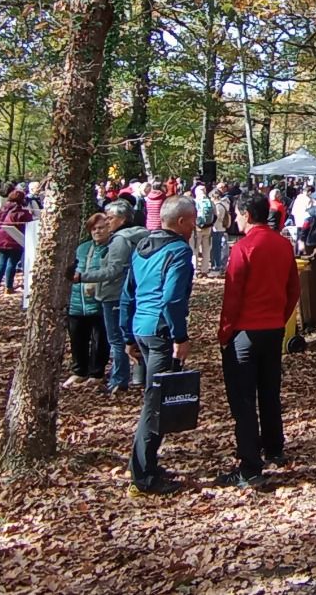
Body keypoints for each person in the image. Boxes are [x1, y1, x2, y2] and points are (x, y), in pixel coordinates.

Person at [217, 190, 301, 487]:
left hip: (246, 332)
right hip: (272, 329)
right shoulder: (283, 245)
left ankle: (249, 465)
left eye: (238, 215)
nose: (236, 219)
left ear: (247, 215)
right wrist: (280, 316)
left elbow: (233, 295)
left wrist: (225, 333)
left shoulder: (244, 248)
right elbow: (294, 289)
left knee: (243, 399)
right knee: (268, 390)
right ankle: (274, 446)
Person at [122, 195, 198, 494]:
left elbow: (129, 293)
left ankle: (147, 463)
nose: (195, 225)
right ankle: (143, 475)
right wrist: (180, 336)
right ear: (180, 222)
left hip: (142, 327)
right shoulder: (178, 251)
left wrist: (128, 335)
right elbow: (172, 298)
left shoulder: (142, 247)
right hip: (160, 332)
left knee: (154, 398)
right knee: (155, 403)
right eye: (192, 219)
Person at [75, 200, 148, 394]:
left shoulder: (119, 240)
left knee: (117, 339)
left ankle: (118, 380)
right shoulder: (133, 236)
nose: (107, 222)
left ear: (122, 219)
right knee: (128, 337)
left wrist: (82, 277)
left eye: (110, 218)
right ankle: (137, 376)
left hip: (114, 294)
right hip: (127, 292)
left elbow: (113, 270)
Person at [67, 215, 112, 387]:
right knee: (78, 338)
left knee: (100, 339)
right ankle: (79, 371)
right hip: (77, 301)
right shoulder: (82, 248)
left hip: (99, 301)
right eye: (94, 229)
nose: (97, 232)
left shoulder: (112, 248)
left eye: (101, 228)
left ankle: (97, 372)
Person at [0, 190, 34, 294]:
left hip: (1, 239)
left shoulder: (2, 210)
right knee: (11, 263)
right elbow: (29, 227)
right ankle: (8, 287)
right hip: (15, 240)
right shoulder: (23, 213)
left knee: (1, 262)